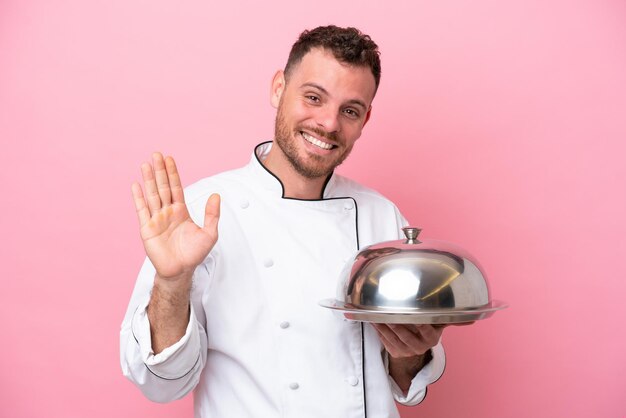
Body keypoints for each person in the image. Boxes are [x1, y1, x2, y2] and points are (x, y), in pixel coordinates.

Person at [120, 25, 448, 418]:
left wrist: (411, 354)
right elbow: (160, 382)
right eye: (313, 97)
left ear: (366, 119)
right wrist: (171, 283)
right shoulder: (199, 211)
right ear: (278, 88)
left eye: (350, 110)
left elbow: (407, 379)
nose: (328, 124)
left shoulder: (382, 217)